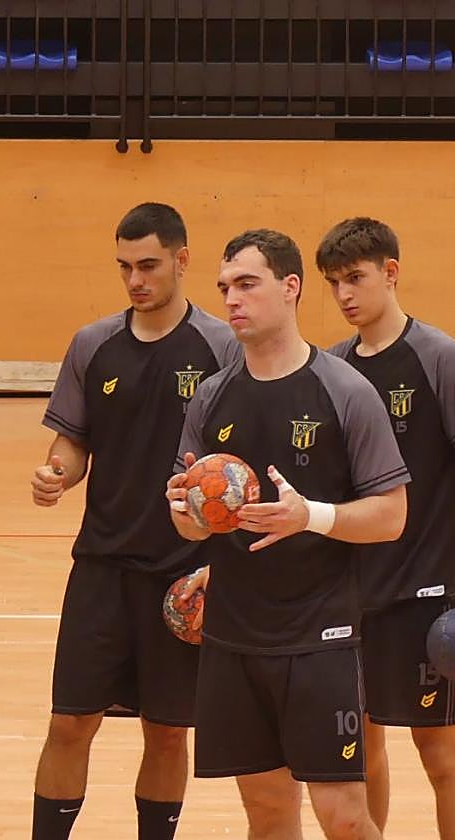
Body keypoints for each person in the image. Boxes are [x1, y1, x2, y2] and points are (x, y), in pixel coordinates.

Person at [167, 229, 409, 840]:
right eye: (224, 288)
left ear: (291, 287)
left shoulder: (346, 391)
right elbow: (184, 517)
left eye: (247, 284)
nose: (232, 300)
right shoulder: (211, 397)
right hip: (234, 637)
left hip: (320, 636)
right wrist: (190, 511)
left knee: (345, 818)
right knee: (269, 815)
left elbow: (390, 516)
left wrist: (311, 517)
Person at [30, 203, 239, 840]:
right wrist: (56, 472)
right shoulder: (93, 344)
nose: (135, 280)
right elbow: (73, 440)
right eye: (124, 267)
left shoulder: (221, 346)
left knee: (169, 732)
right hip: (101, 566)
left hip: (183, 571)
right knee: (69, 723)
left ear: (182, 260)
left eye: (147, 265)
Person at [319, 217, 455, 838]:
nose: (345, 294)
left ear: (390, 272)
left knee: (443, 759)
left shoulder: (439, 358)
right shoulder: (333, 369)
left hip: (428, 596)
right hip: (354, 594)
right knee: (360, 755)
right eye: (334, 283)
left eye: (355, 278)